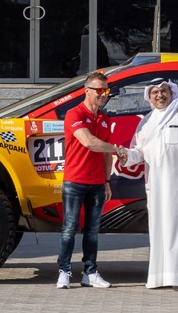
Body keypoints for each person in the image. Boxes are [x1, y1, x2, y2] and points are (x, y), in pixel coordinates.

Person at [117, 78, 178, 290]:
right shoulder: (146, 121)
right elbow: (138, 152)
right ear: (149, 96)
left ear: (172, 92)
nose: (160, 95)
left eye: (164, 91)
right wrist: (125, 156)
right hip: (157, 186)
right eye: (155, 92)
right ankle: (164, 277)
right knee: (161, 229)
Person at [57, 71, 117, 289]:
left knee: (92, 230)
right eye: (99, 90)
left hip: (98, 184)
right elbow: (89, 142)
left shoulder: (104, 119)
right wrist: (117, 149)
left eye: (106, 90)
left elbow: (105, 155)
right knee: (69, 228)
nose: (103, 94)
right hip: (75, 181)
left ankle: (89, 273)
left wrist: (107, 181)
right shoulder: (75, 114)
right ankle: (64, 272)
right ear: (87, 91)